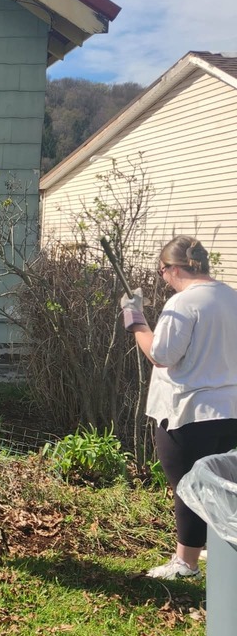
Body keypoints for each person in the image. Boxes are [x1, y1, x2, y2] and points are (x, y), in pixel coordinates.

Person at [119, 235, 237, 580]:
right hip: (229, 410)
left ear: (172, 268)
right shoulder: (231, 297)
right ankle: (213, 553)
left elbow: (162, 355)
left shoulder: (183, 303)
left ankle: (185, 564)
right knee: (217, 485)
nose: (163, 278)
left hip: (190, 412)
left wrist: (136, 319)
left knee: (187, 485)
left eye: (162, 272)